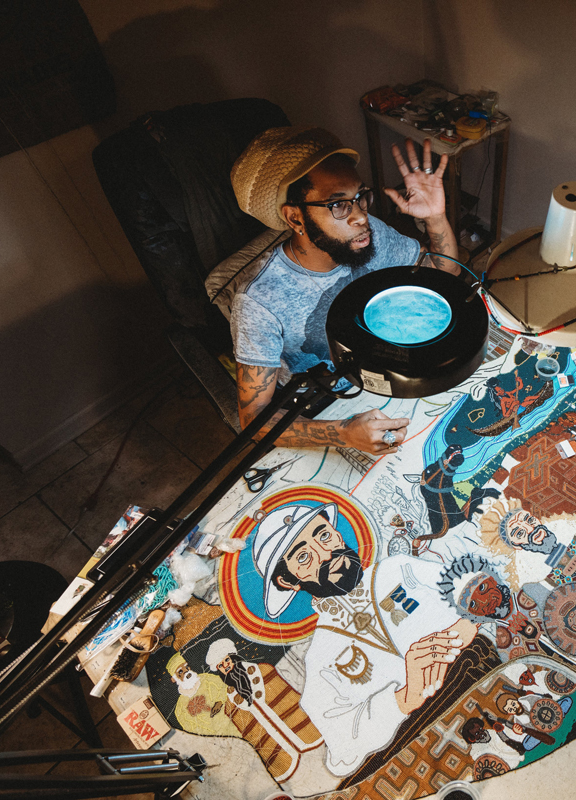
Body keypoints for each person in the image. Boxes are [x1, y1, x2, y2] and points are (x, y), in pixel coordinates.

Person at [222, 126, 462, 454]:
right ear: (295, 218)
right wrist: (342, 435)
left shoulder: (370, 232)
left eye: (360, 197)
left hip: (393, 368)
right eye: (338, 205)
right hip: (331, 406)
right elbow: (253, 418)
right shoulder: (259, 301)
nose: (361, 216)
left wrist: (435, 218)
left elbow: (444, 275)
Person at [249, 500, 500, 780]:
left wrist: (463, 627)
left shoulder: (397, 569)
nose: (326, 553)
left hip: (482, 681)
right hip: (426, 746)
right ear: (287, 581)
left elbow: (472, 587)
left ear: (337, 533)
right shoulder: (320, 657)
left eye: (323, 535)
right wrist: (405, 696)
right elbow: (341, 756)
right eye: (304, 557)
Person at [204, 638, 323, 783]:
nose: (226, 666)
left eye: (227, 660)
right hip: (281, 757)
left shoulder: (263, 670)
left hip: (304, 733)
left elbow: (287, 694)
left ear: (233, 657)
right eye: (221, 665)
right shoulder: (231, 704)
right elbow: (248, 733)